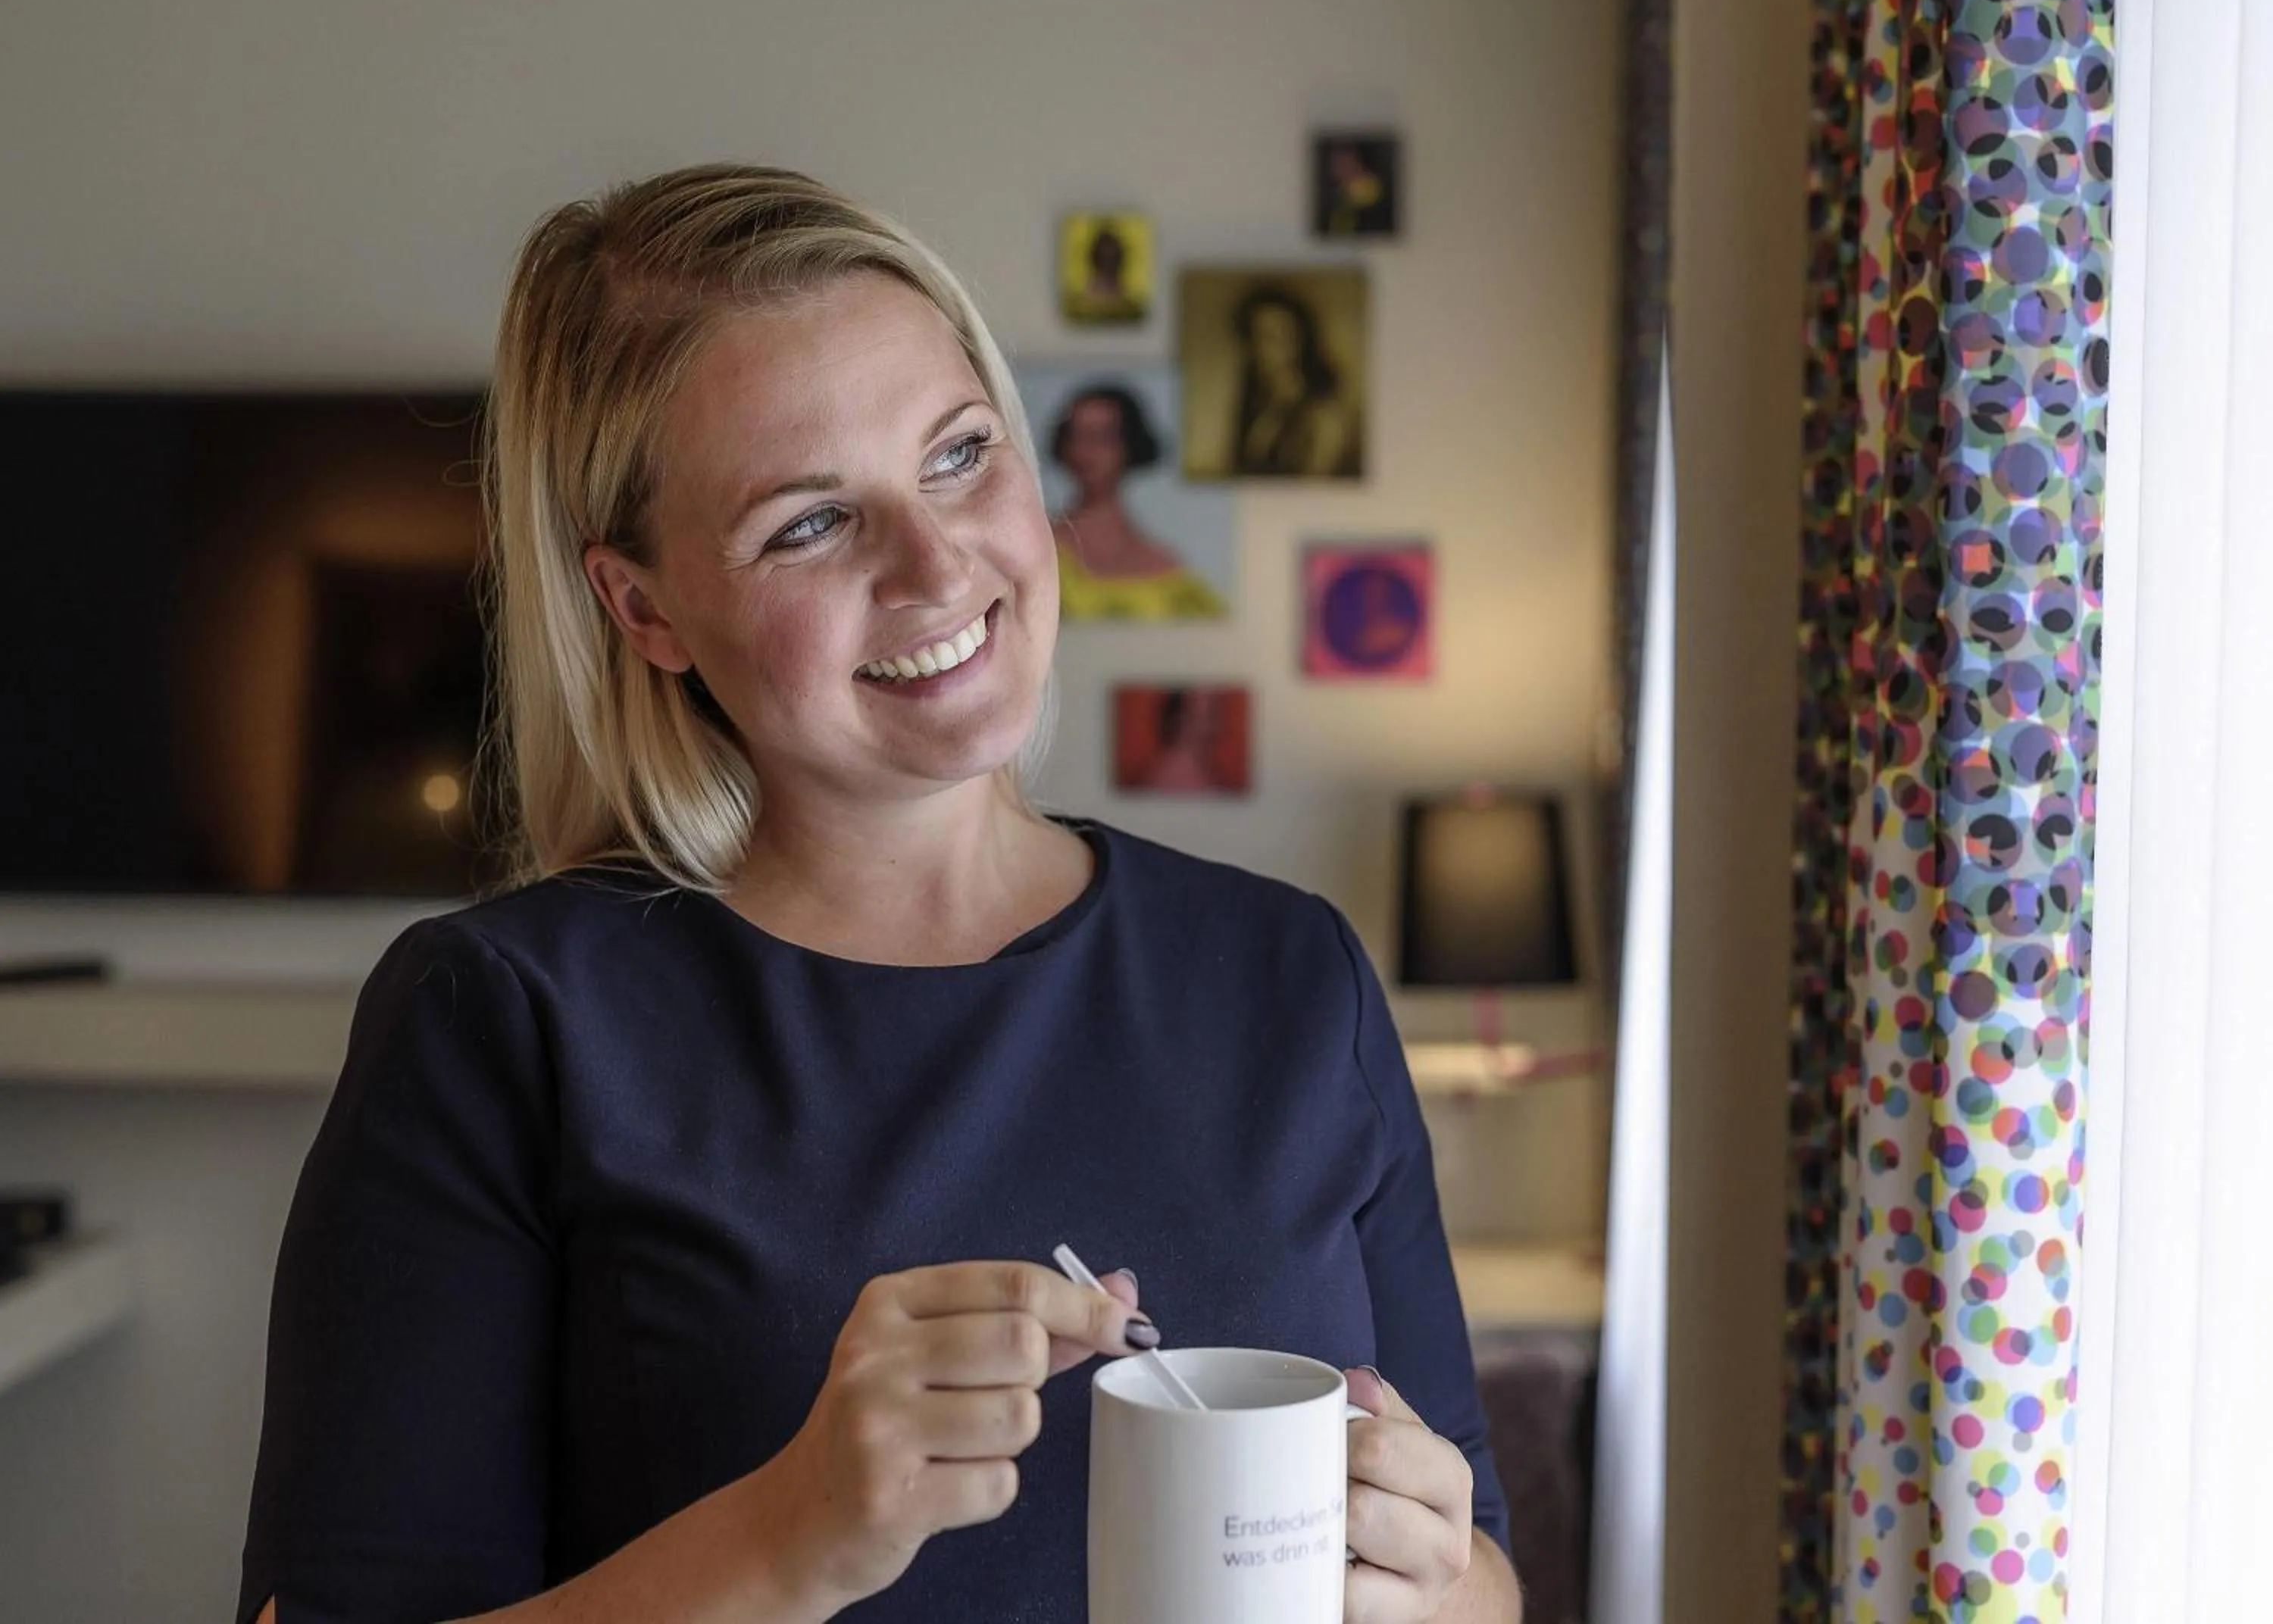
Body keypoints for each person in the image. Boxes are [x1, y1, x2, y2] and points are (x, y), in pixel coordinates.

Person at [235, 164, 1518, 1624]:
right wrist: (791, 1535)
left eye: (961, 454)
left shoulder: (1294, 977)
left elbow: (1477, 1566)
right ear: (647, 609)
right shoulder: (502, 1024)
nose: (934, 564)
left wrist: (1442, 1587)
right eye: (809, 524)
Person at [1048, 383, 1227, 620]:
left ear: (1130, 446)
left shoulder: (1169, 572)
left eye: (1103, 437)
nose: (1086, 450)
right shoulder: (1042, 545)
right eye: (1075, 436)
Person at [1229, 283, 1362, 478]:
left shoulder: (1323, 416)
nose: (1261, 348)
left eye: (1273, 337)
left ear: (1299, 342)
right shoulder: (1260, 407)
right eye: (1254, 336)